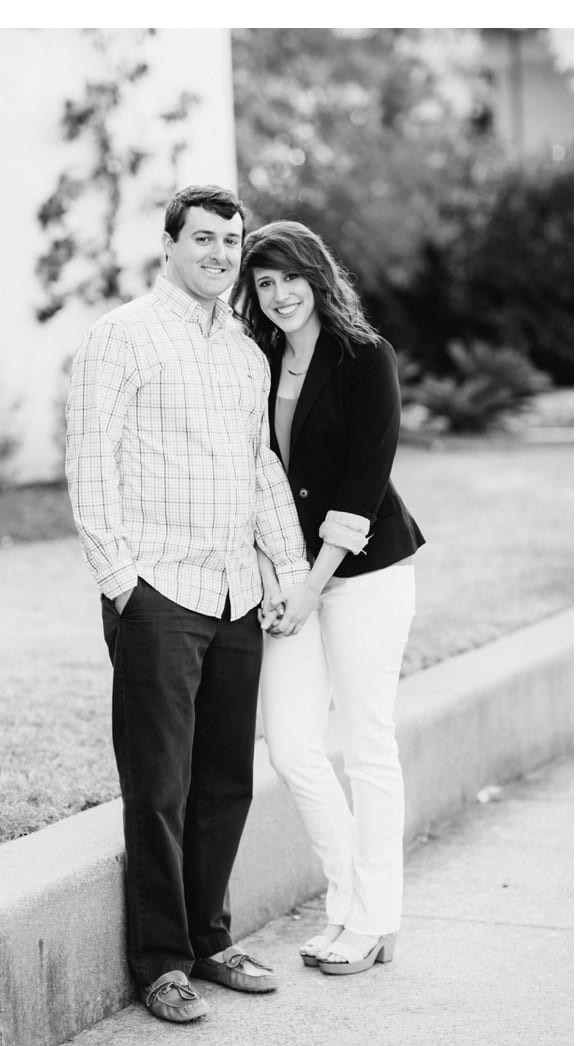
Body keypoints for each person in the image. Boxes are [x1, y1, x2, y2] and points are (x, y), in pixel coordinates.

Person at [64, 184, 312, 1023]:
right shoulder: (120, 338)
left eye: (230, 241)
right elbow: (90, 463)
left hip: (237, 592)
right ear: (168, 244)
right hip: (160, 593)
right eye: (203, 238)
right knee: (159, 786)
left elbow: (258, 468)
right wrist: (122, 583)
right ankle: (163, 962)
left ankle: (211, 939)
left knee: (225, 782)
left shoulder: (245, 351)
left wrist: (287, 567)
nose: (219, 253)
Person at [232, 220, 425, 976]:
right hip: (294, 578)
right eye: (265, 283)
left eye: (288, 278)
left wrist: (312, 587)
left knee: (368, 744)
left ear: (317, 274)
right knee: (291, 745)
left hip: (367, 573)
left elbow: (364, 481)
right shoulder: (262, 358)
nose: (278, 295)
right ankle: (348, 900)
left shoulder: (364, 356)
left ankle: (374, 919)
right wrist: (285, 581)